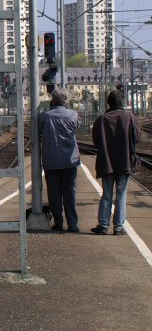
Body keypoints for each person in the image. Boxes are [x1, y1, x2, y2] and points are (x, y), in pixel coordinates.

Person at [91, 89, 139, 236]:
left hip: (107, 162)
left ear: (108, 103)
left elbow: (96, 141)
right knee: (121, 194)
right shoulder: (130, 117)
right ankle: (118, 227)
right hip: (124, 162)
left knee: (106, 194)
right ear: (121, 102)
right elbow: (136, 139)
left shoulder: (101, 120)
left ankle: (103, 225)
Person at [37, 87, 82, 232]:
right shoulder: (73, 115)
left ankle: (58, 222)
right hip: (70, 160)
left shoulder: (44, 116)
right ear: (66, 100)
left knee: (54, 193)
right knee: (70, 193)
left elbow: (39, 131)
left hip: (51, 161)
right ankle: (73, 224)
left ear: (53, 99)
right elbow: (77, 127)